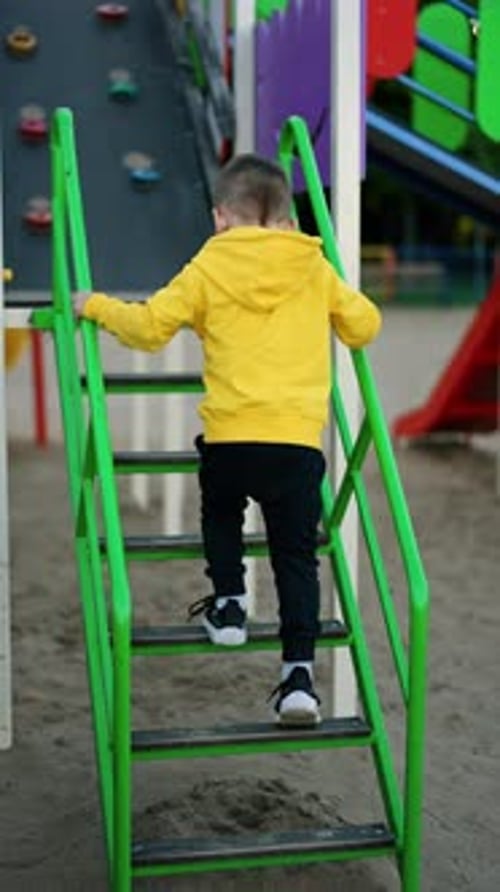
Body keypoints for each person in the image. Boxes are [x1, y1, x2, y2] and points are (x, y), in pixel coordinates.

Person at [74, 153, 381, 727]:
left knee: (220, 513)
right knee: (297, 559)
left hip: (231, 437)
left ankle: (231, 603)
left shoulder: (207, 268)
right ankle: (298, 680)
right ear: (289, 222)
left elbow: (147, 329)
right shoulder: (313, 268)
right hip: (296, 444)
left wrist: (92, 305)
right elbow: (364, 325)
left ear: (220, 218)